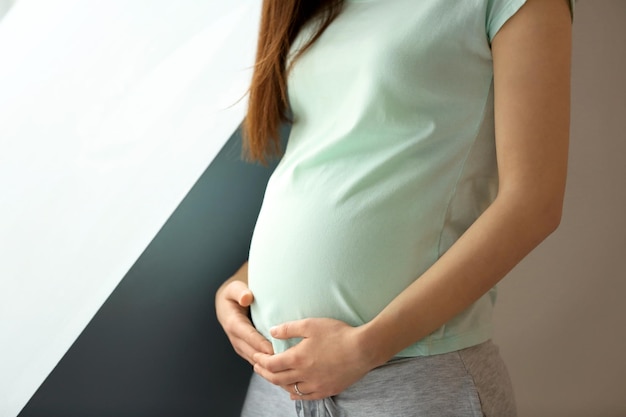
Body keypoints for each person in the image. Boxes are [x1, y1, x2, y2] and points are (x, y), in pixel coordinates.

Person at [216, 0, 573, 415]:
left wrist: (366, 348)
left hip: (409, 377)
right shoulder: (319, 6)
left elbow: (533, 204)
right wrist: (244, 286)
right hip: (276, 384)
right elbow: (325, 162)